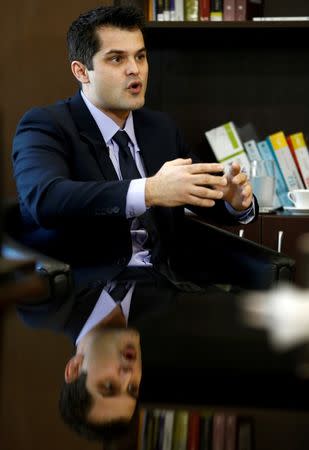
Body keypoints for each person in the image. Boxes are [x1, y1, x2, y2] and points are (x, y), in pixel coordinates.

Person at [12, 4, 257, 441]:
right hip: (89, 285)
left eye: (140, 56)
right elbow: (43, 199)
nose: (134, 70)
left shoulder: (160, 128)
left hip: (168, 283)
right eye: (116, 58)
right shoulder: (46, 125)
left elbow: (192, 199)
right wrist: (148, 191)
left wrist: (236, 203)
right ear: (80, 70)